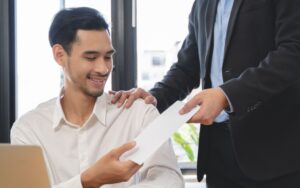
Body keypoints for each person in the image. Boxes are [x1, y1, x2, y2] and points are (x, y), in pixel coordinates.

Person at [111, 0, 300, 187]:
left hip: (274, 153)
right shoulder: (202, 4)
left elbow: (293, 51)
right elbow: (187, 67)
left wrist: (227, 95)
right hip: (217, 151)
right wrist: (154, 97)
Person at [10, 7, 184, 188]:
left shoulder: (139, 113)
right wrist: (87, 180)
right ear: (60, 55)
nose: (103, 68)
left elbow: (170, 180)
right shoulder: (28, 130)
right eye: (91, 57)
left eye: (108, 57)